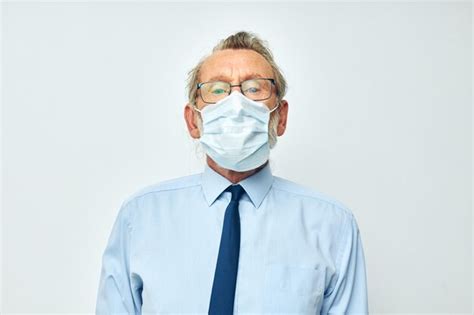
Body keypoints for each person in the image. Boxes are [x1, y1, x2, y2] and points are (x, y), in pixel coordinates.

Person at [96, 31, 369, 315]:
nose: (236, 105)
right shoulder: (140, 217)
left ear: (281, 117)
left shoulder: (331, 226)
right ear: (193, 121)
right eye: (217, 90)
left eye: (254, 89)